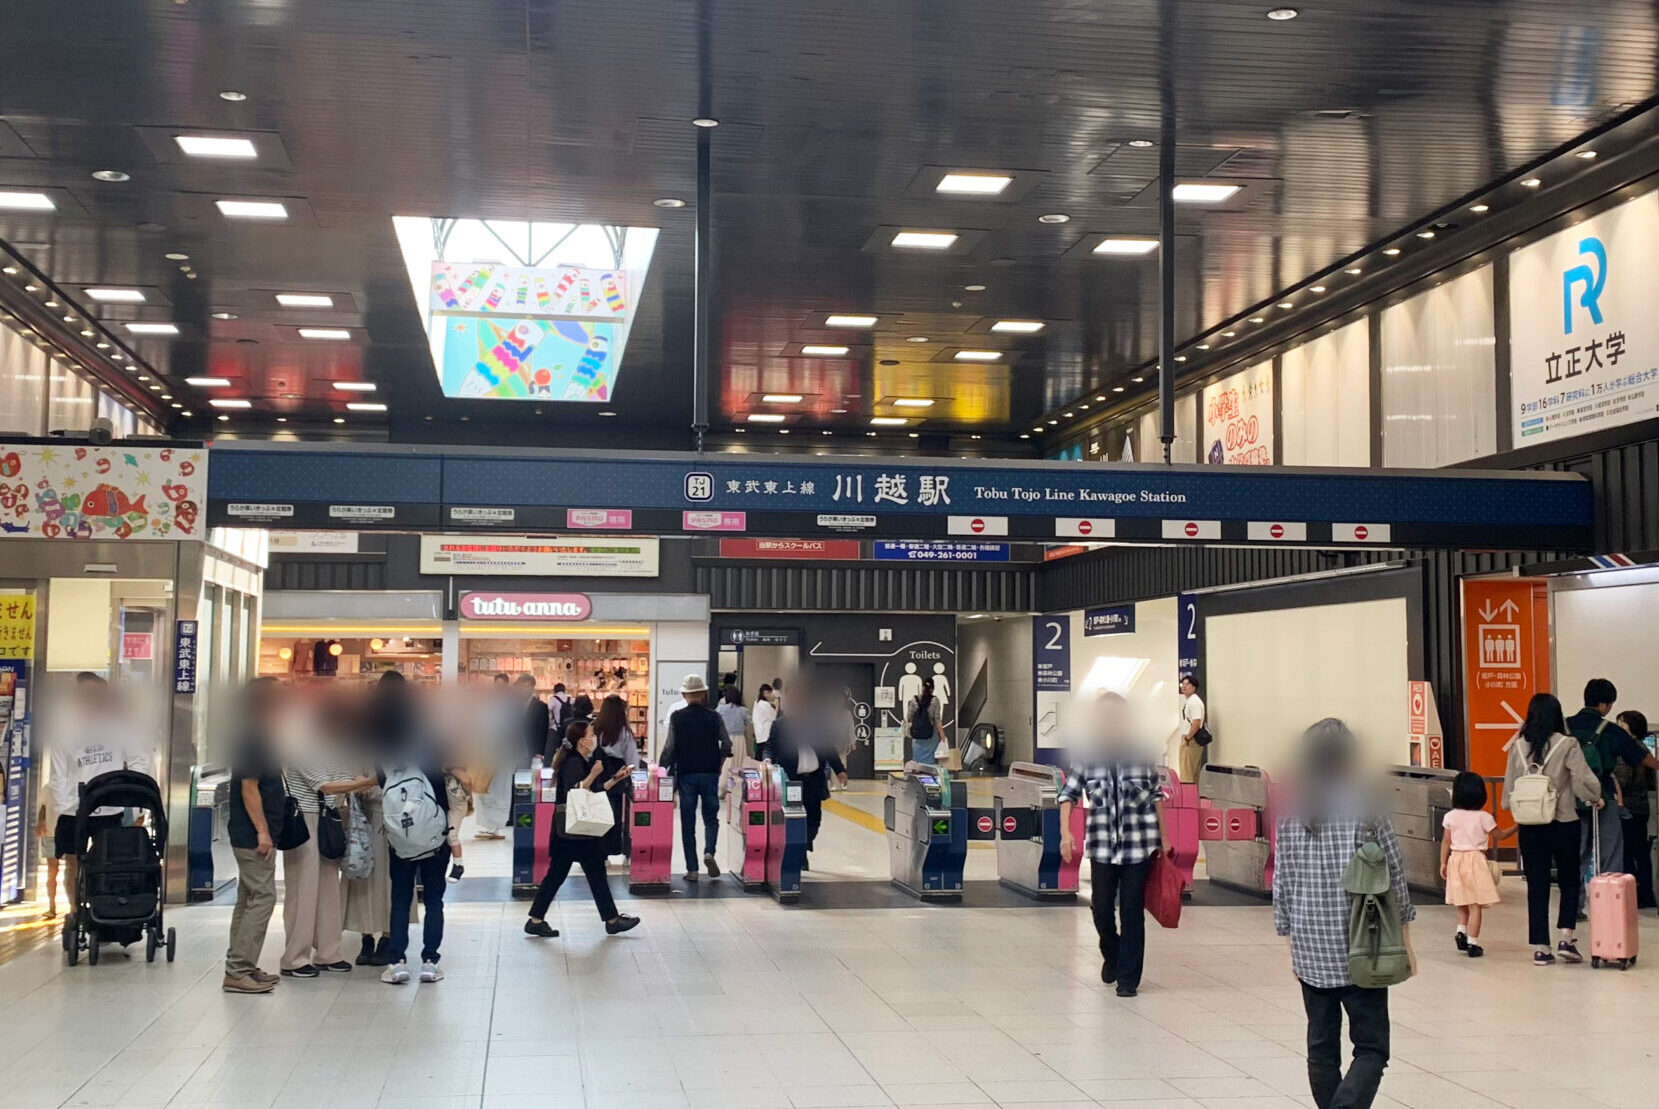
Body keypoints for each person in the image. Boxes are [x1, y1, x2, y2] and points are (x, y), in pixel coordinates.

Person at [1273, 718, 1416, 1109]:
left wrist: (1289, 935)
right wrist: (1404, 935)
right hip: (1363, 943)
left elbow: (1282, 879)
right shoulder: (1366, 806)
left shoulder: (1291, 811)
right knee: (1371, 1047)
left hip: (1310, 943)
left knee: (1322, 1049)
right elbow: (1394, 874)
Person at [1058, 691, 1165, 998]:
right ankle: (1113, 953)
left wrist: (1165, 839)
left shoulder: (1142, 754)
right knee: (1102, 908)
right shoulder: (1087, 756)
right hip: (1103, 845)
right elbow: (1068, 795)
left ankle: (1128, 979)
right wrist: (1066, 833)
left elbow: (1156, 797)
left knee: (1132, 910)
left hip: (1138, 846)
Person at [1503, 691, 1602, 965]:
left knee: (1537, 884)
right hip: (1563, 822)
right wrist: (1595, 796)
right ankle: (1566, 937)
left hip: (1531, 825)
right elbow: (1583, 780)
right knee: (1569, 880)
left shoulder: (1519, 746)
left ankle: (1541, 947)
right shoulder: (1567, 744)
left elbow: (1510, 789)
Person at [523, 721, 641, 939]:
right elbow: (574, 791)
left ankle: (537, 919)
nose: (594, 738)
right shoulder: (573, 762)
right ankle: (611, 920)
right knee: (584, 873)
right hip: (574, 830)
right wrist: (594, 774)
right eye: (590, 735)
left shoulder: (580, 761)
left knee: (570, 874)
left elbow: (595, 791)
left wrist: (616, 778)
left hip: (574, 831)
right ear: (581, 740)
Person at [47, 673, 152, 906]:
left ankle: (101, 908)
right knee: (72, 861)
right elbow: (58, 774)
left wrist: (128, 795)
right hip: (74, 810)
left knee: (107, 862)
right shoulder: (65, 732)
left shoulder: (118, 729)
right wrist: (66, 806)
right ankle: (75, 912)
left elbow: (139, 761)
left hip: (109, 808)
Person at [1568, 679, 1659, 895]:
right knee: (1611, 851)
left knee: (1576, 852)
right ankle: (1611, 901)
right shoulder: (1611, 730)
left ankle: (1574, 905)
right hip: (1604, 795)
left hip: (1572, 797)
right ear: (1605, 704)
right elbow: (1643, 758)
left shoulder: (1565, 726)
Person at [223, 678, 284, 994]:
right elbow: (250, 788)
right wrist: (262, 830)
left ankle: (241, 966)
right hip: (251, 833)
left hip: (255, 831)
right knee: (263, 896)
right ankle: (238, 970)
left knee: (248, 898)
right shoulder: (252, 739)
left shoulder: (260, 736)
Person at [278, 741, 357, 977]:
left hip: (326, 819)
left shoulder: (335, 748)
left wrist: (356, 783)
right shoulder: (301, 748)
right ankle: (294, 958)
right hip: (302, 819)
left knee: (329, 888)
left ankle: (328, 952)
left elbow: (345, 780)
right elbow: (326, 786)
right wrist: (370, 782)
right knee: (302, 890)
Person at [659, 674, 732, 882]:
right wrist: (717, 766)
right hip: (709, 774)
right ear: (702, 694)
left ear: (684, 694)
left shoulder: (677, 717)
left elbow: (670, 748)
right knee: (711, 818)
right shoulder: (714, 717)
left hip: (686, 775)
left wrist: (662, 770)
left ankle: (692, 870)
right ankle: (709, 851)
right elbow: (727, 745)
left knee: (687, 822)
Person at [769, 681, 848, 863]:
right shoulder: (781, 725)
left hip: (813, 779)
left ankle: (804, 845)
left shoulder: (817, 723)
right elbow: (770, 747)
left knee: (814, 821)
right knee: (792, 819)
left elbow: (828, 748)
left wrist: (839, 770)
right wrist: (767, 760)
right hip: (791, 780)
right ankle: (798, 854)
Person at [1438, 772, 1509, 959]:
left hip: (1456, 859)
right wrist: (1518, 825)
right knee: (1475, 904)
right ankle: (1473, 943)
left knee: (1462, 902)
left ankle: (1461, 930)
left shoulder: (1451, 816)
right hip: (1475, 860)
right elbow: (1501, 835)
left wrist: (1443, 863)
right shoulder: (1484, 818)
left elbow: (1446, 841)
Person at [1614, 710, 1656, 907]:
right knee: (1641, 853)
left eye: (1621, 724)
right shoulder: (1645, 751)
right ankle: (1647, 893)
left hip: (1626, 808)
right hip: (1642, 808)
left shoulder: (1627, 751)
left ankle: (1633, 895)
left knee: (1626, 853)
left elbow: (1622, 781)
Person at [471, 673, 517, 840]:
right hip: (488, 754)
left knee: (501, 790)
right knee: (486, 788)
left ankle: (496, 826)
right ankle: (488, 826)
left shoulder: (511, 706)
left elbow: (512, 731)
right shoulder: (490, 705)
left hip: (503, 755)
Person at [904, 677, 944, 765]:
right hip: (931, 735)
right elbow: (937, 720)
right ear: (932, 689)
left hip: (917, 735)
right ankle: (929, 777)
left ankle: (918, 776)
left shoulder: (914, 700)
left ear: (922, 687)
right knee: (930, 761)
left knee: (917, 760)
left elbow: (909, 717)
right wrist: (942, 736)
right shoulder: (935, 700)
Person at [1178, 676, 1207, 784]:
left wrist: (1187, 738)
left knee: (1187, 775)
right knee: (1192, 774)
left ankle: (1188, 799)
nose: (1184, 687)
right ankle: (1194, 799)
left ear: (1194, 687)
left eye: (1187, 684)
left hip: (1191, 740)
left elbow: (1196, 723)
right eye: (1183, 684)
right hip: (1190, 738)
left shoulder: (1194, 702)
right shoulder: (1190, 701)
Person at [518, 674, 549, 767]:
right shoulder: (514, 705)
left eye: (527, 686)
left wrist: (540, 752)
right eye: (522, 686)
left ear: (532, 688)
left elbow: (543, 731)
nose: (524, 689)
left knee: (530, 778)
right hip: (515, 752)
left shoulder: (541, 707)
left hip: (532, 751)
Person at [715, 686, 751, 765]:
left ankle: (724, 777)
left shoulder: (720, 709)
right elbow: (748, 722)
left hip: (725, 738)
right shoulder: (743, 710)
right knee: (739, 761)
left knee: (725, 762)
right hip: (739, 738)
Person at [752, 683, 777, 762]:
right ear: (766, 693)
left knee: (759, 754)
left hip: (760, 734)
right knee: (765, 757)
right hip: (765, 734)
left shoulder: (757, 702)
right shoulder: (764, 704)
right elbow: (774, 716)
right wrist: (777, 705)